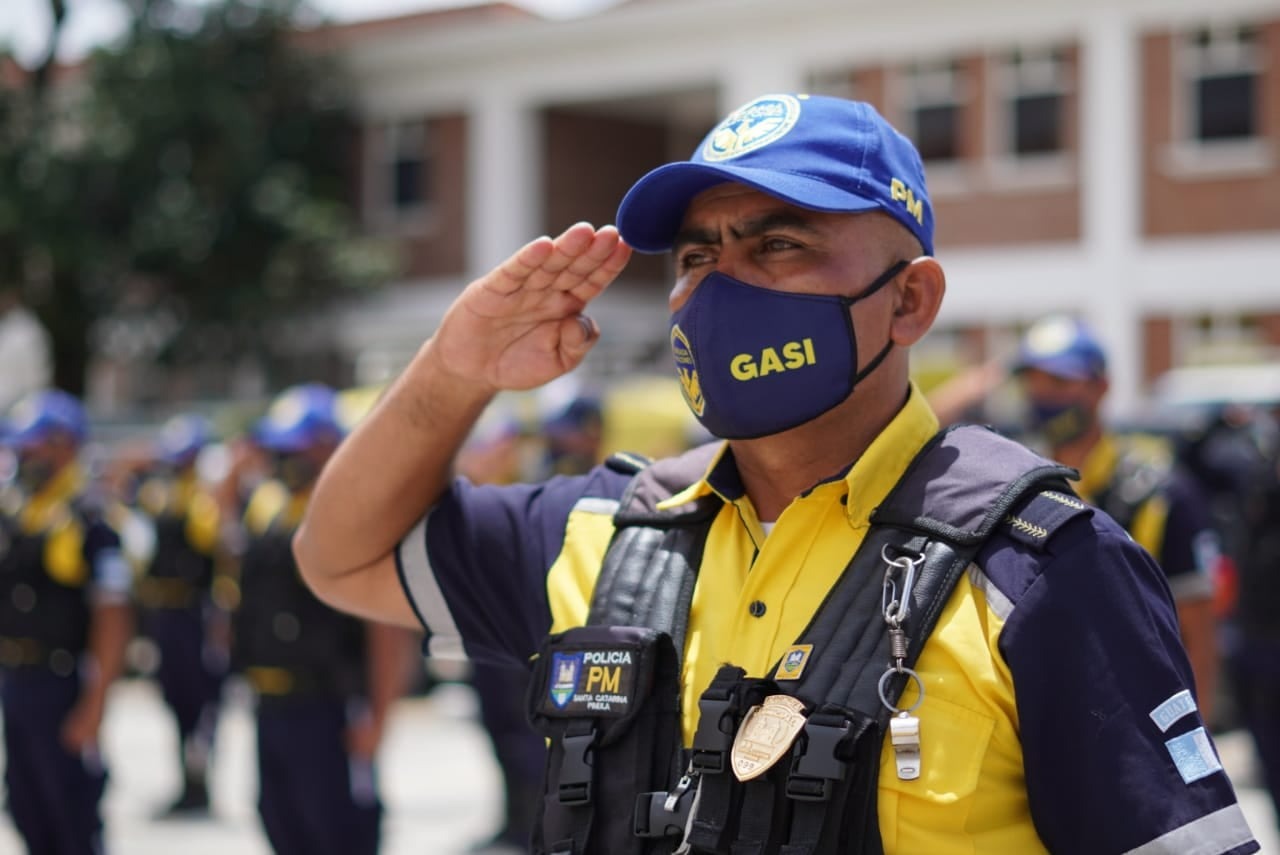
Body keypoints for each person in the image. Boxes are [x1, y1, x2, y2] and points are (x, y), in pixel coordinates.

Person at [293, 94, 1260, 854]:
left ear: (909, 300)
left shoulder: (1041, 572)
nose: (719, 286)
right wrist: (455, 372)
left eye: (778, 243)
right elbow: (341, 555)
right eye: (697, 254)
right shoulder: (607, 534)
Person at [229, 384, 415, 855]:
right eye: (280, 448)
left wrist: (379, 715)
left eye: (297, 448)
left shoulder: (357, 510)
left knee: (338, 831)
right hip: (271, 703)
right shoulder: (268, 505)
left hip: (330, 705)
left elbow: (386, 627)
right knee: (279, 821)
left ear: (330, 445)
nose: (285, 459)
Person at [1012, 315, 1223, 725]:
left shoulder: (1157, 491)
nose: (1042, 395)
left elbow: (1197, 628)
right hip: (1042, 708)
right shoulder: (1014, 484)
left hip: (1139, 713)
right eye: (1033, 382)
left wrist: (1198, 739)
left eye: (1058, 382)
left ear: (1100, 386)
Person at [0, 389, 133, 854]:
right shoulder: (20, 512)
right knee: (26, 806)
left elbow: (113, 617)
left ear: (65, 446)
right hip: (18, 681)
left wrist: (95, 704)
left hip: (63, 683)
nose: (23, 455)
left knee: (71, 816)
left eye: (33, 445)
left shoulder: (91, 519)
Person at [456, 407, 549, 854]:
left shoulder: (525, 491)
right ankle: (512, 817)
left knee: (527, 735)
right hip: (484, 636)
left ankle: (533, 824)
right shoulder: (472, 492)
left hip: (523, 640)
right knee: (496, 729)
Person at [133, 413, 230, 817]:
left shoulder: (204, 500)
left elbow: (218, 551)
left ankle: (199, 780)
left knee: (202, 700)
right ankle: (185, 779)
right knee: (174, 699)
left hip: (196, 614)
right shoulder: (161, 495)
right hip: (165, 614)